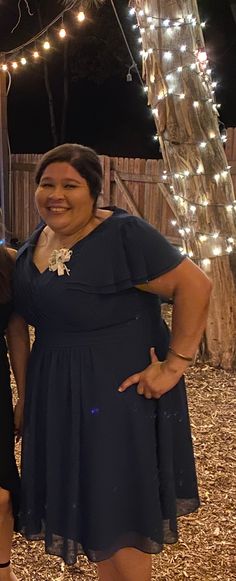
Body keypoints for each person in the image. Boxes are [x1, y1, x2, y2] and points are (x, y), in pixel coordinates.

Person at [13, 143, 212, 581]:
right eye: (47, 184)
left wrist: (174, 366)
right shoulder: (40, 239)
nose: (56, 194)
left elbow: (195, 284)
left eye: (70, 185)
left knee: (120, 515)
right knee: (97, 514)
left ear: (94, 191)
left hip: (115, 400)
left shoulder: (122, 235)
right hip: (61, 398)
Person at [0, 237, 29, 581]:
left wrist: (25, 395)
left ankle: (3, 570)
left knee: (2, 490)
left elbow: (17, 332)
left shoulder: (9, 262)